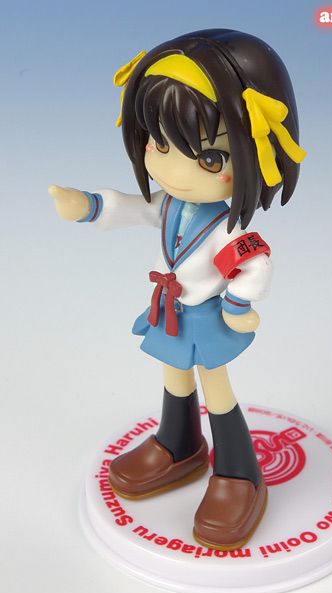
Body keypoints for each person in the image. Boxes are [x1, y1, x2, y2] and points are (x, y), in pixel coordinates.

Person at [49, 28, 306, 550]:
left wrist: (237, 302)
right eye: (160, 144)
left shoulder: (226, 227)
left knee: (217, 388)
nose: (174, 170)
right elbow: (132, 207)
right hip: (169, 311)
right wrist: (89, 206)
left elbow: (255, 264)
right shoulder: (169, 205)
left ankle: (238, 472)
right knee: (174, 377)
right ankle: (178, 443)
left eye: (209, 159)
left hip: (205, 317)